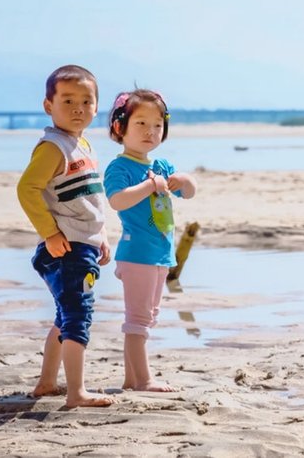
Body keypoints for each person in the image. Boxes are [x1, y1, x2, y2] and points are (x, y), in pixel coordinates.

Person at [17, 64, 114, 408]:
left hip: (82, 246)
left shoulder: (82, 144)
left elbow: (90, 198)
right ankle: (76, 393)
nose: (78, 108)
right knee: (78, 317)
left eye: (86, 101)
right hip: (67, 249)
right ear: (49, 105)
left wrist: (101, 233)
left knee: (65, 315)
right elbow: (27, 189)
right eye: (68, 100)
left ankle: (46, 383)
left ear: (96, 106)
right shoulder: (53, 147)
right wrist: (50, 233)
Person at [103, 89, 197, 392]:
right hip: (137, 254)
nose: (150, 132)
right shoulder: (120, 168)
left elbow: (189, 192)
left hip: (160, 255)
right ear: (120, 128)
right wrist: (148, 185)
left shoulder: (161, 165)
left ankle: (131, 379)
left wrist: (183, 180)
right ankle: (144, 380)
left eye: (157, 125)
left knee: (149, 316)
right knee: (139, 319)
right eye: (141, 124)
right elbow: (117, 200)